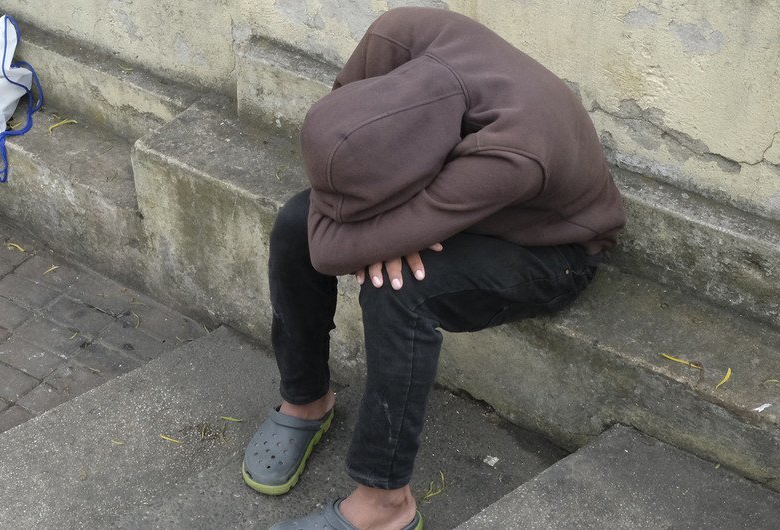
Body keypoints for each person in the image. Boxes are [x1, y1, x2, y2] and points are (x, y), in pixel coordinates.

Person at [242, 7, 626, 530]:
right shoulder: (398, 33)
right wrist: (383, 229)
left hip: (552, 249)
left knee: (400, 289)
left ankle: (385, 505)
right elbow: (340, 124)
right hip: (460, 201)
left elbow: (334, 253)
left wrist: (391, 234)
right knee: (294, 222)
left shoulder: (512, 152)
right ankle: (306, 400)